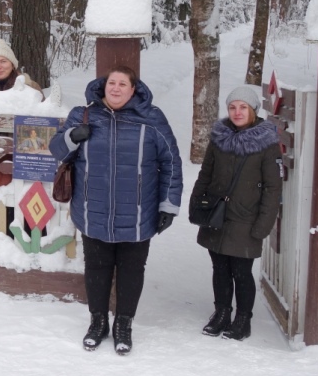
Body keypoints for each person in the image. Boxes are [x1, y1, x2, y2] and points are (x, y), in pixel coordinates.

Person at [50, 66, 183, 355]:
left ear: (134, 89)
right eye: (112, 82)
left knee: (131, 270)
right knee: (96, 268)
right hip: (92, 208)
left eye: (123, 84)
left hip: (138, 212)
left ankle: (124, 324)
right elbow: (57, 149)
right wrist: (74, 135)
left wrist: (168, 205)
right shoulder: (82, 114)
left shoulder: (152, 119)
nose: (117, 88)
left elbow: (171, 162)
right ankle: (98, 322)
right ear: (103, 86)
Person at [190, 85, 281, 341]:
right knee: (219, 268)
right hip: (216, 215)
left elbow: (273, 188)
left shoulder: (266, 144)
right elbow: (205, 174)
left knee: (241, 271)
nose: (237, 112)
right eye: (232, 107)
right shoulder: (219, 139)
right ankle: (221, 312)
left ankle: (243, 319)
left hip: (246, 219)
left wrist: (263, 225)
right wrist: (196, 205)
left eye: (243, 107)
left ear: (253, 110)